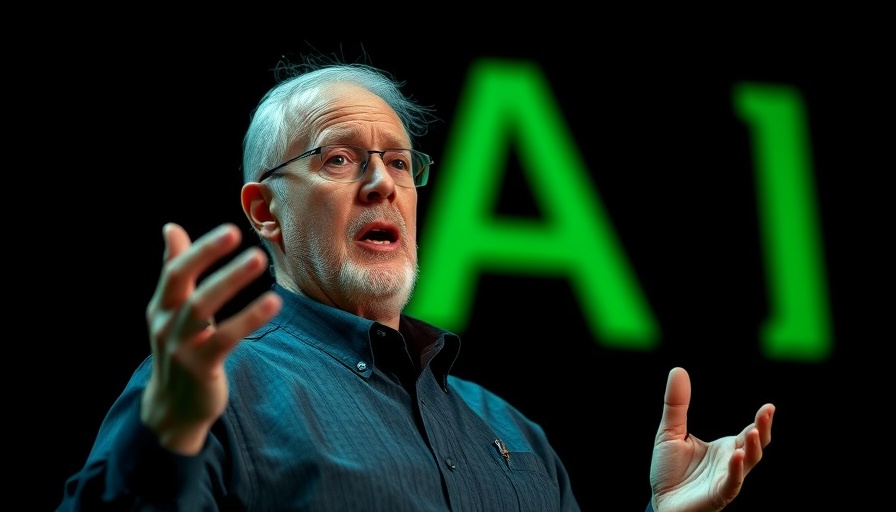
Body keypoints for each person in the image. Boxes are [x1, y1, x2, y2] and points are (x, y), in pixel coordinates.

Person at [57, 57, 776, 512]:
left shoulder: (510, 430)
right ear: (264, 211)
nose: (382, 185)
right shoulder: (205, 389)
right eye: (339, 159)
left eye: (400, 163)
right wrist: (168, 439)